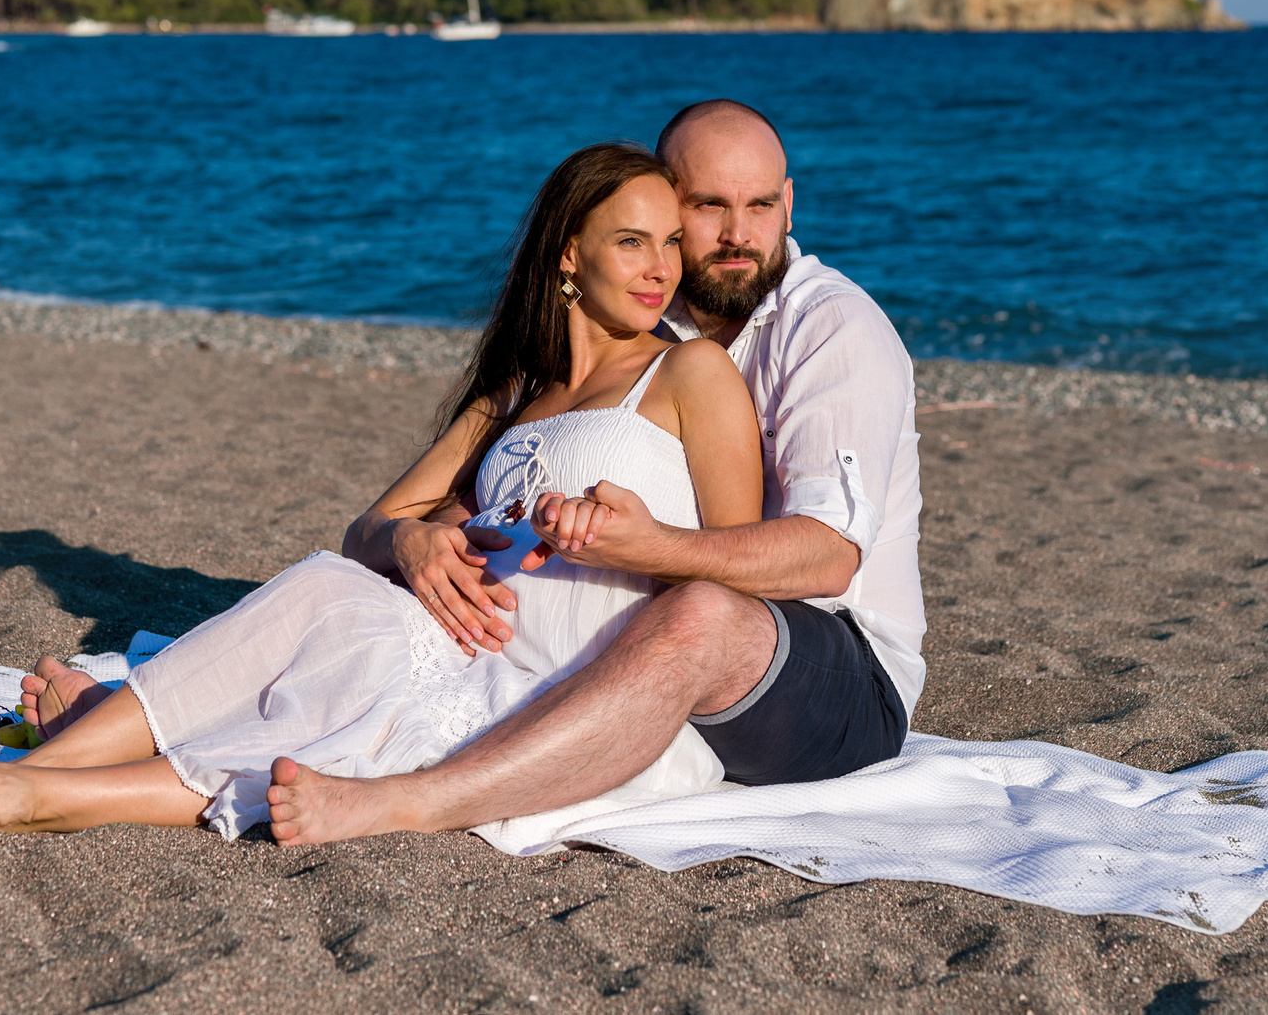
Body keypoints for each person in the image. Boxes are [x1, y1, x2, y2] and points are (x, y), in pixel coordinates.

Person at [0, 142, 765, 832]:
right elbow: (371, 527)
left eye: (670, 244)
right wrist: (411, 539)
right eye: (632, 241)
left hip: (579, 690)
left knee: (326, 696)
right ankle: (37, 777)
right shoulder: (514, 394)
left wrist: (639, 541)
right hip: (456, 649)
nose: (661, 269)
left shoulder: (690, 374)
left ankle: (34, 791)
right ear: (568, 253)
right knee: (328, 586)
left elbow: (739, 571)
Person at [259, 98, 923, 844]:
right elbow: (456, 504)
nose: (740, 233)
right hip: (669, 646)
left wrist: (650, 546)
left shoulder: (830, 327)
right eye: (709, 206)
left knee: (697, 612)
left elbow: (829, 558)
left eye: (762, 205)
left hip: (841, 674)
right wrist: (424, 539)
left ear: (789, 202)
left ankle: (416, 802)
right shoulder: (646, 320)